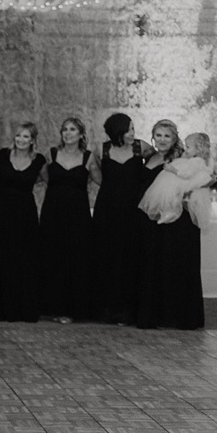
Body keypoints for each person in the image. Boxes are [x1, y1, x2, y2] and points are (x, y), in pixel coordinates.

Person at [135, 120, 210, 330]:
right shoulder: (150, 156)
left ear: (175, 138)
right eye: (158, 135)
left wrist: (186, 198)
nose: (162, 140)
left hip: (176, 221)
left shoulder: (181, 158)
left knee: (174, 264)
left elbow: (204, 179)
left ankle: (177, 315)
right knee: (153, 265)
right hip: (150, 218)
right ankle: (154, 313)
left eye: (167, 136)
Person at [38, 116, 96, 323]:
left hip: (78, 215)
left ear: (81, 134)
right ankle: (54, 307)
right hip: (53, 212)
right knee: (54, 258)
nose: (68, 133)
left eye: (72, 130)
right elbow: (45, 178)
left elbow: (100, 180)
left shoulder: (88, 157)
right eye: (65, 130)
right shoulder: (51, 154)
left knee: (77, 259)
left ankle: (74, 309)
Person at [91, 113, 147, 325]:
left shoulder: (140, 148)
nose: (133, 133)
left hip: (132, 210)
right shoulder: (102, 150)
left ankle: (128, 309)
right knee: (108, 255)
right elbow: (98, 177)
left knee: (130, 256)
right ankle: (107, 308)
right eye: (129, 129)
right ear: (118, 131)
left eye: (133, 128)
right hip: (108, 210)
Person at [0, 122, 45, 322]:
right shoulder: (3, 155)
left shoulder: (38, 160)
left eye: (26, 137)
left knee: (24, 258)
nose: (21, 140)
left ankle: (23, 308)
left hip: (25, 212)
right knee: (2, 256)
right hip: (2, 210)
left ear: (32, 141)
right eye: (18, 136)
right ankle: (1, 308)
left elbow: (45, 179)